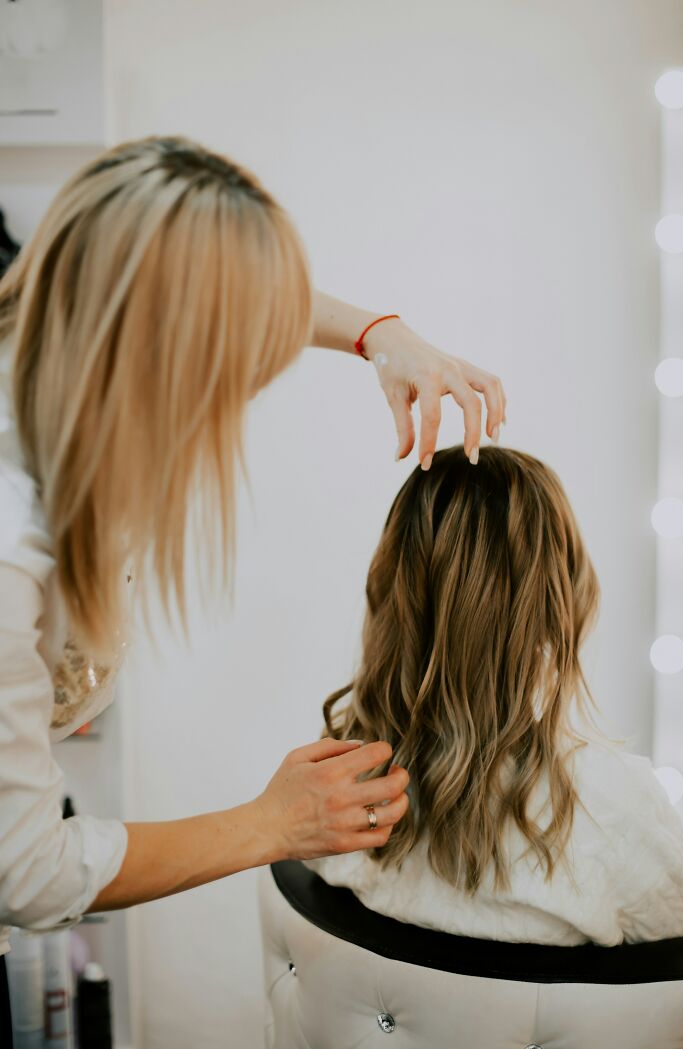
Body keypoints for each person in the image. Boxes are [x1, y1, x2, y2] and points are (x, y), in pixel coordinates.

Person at [0, 135, 505, 1039]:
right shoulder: (11, 544)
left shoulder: (43, 325)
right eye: (225, 379)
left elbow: (193, 291)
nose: (228, 407)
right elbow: (27, 874)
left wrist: (376, 333)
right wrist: (272, 824)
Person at [310, 445, 683, 945]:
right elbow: (681, 988)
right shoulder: (616, 813)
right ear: (555, 599)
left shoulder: (332, 788)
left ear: (392, 588)